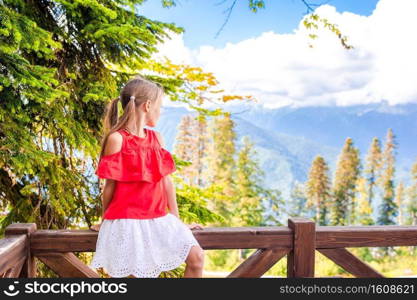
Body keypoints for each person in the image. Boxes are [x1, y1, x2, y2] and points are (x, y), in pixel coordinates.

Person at [89, 76, 205, 278]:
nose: (160, 112)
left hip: (158, 217)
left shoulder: (156, 138)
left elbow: (166, 181)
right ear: (148, 106)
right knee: (138, 277)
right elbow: (109, 186)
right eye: (160, 107)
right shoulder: (117, 139)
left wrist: (176, 221)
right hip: (128, 221)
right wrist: (104, 220)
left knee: (196, 258)